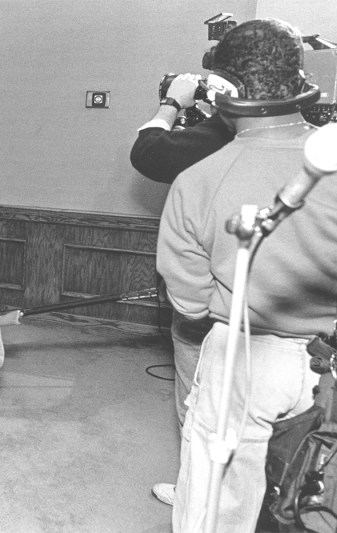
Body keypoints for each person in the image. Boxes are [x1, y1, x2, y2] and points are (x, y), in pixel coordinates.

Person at [157, 19, 333, 532]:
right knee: (316, 500)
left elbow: (189, 304)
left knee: (217, 507)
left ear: (225, 90)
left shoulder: (197, 181)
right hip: (329, 363)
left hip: (245, 360)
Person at [131, 74, 235, 507]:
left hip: (209, 304)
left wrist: (174, 102)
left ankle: (196, 495)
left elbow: (148, 152)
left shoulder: (224, 134)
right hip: (283, 307)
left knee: (197, 398)